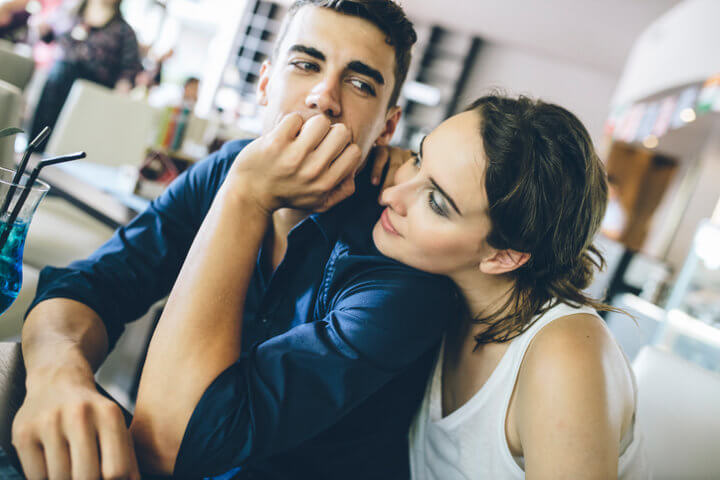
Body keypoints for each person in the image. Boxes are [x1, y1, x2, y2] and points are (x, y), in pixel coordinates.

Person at [13, 1, 458, 479]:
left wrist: (246, 197)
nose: (324, 97)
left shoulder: (396, 255)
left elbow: (170, 443)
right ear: (265, 85)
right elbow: (90, 286)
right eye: (306, 64)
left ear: (386, 128)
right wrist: (57, 376)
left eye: (360, 83)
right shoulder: (228, 167)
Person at [370, 95, 647, 478]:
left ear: (503, 257)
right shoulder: (445, 290)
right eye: (419, 158)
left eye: (435, 201)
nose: (391, 194)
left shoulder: (565, 357)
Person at [28, 0, 141, 151]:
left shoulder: (124, 31)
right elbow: (48, 36)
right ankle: (35, 146)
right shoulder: (70, 13)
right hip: (58, 80)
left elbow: (129, 69)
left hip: (92, 90)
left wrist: (123, 89)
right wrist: (39, 26)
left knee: (63, 75)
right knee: (60, 72)